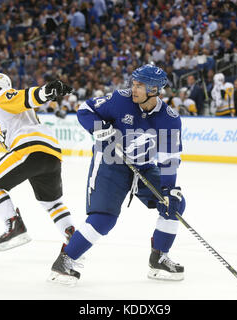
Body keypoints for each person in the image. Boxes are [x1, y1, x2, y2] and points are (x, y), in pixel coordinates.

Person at [49, 64, 186, 285]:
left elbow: (169, 160)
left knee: (173, 204)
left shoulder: (169, 119)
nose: (134, 89)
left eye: (140, 85)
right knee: (104, 219)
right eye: (133, 83)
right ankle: (64, 262)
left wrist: (169, 190)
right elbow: (85, 109)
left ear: (154, 89)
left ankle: (159, 258)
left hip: (143, 167)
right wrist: (98, 127)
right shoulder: (119, 99)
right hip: (110, 163)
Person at [0, 73, 76, 252]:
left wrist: (47, 91)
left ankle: (14, 225)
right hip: (51, 152)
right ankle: (75, 240)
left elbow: (26, 97)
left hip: (29, 147)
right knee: (52, 203)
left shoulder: (1, 97)